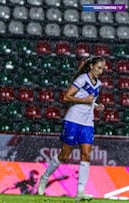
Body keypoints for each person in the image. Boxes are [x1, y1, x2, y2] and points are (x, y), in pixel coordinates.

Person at [37, 56, 106, 201]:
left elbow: (90, 101)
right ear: (92, 66)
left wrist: (96, 105)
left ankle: (80, 192)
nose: (101, 71)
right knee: (64, 155)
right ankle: (45, 177)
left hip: (88, 122)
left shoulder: (98, 84)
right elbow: (67, 97)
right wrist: (84, 101)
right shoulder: (82, 79)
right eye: (99, 67)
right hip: (73, 120)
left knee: (86, 154)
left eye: (103, 68)